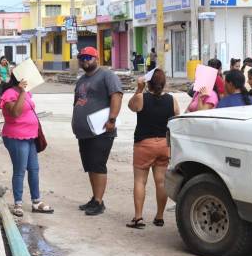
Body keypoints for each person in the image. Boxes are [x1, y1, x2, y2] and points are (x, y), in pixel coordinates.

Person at [72, 46, 123, 216]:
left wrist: (112, 119)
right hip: (84, 132)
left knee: (98, 165)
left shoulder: (107, 76)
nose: (85, 60)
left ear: (97, 59)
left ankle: (99, 202)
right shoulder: (81, 80)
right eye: (82, 57)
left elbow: (117, 95)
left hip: (101, 131)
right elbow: (77, 102)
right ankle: (95, 198)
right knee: (90, 166)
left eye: (88, 57)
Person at [126, 69, 180, 229]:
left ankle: (138, 217)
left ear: (148, 83)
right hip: (164, 144)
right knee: (161, 182)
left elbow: (131, 106)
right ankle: (159, 217)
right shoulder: (172, 100)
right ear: (164, 84)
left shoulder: (142, 98)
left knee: (140, 181)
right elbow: (177, 118)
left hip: (144, 144)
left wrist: (139, 89)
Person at [0, 75, 54, 217]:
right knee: (20, 170)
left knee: (34, 169)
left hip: (31, 136)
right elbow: (16, 113)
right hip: (16, 137)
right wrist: (22, 92)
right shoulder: (9, 94)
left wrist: (24, 92)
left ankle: (36, 202)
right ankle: (18, 203)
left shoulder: (27, 92)